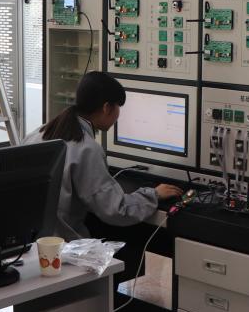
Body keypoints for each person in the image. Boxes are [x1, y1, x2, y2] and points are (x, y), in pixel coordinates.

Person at [23, 71, 182, 240]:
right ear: (106, 108)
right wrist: (154, 195)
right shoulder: (87, 149)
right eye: (118, 107)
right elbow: (116, 210)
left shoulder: (39, 132)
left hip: (30, 242)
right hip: (64, 247)